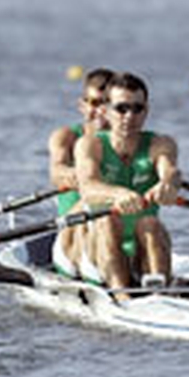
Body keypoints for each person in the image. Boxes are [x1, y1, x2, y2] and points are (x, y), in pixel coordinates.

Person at [74, 72, 180, 298]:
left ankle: (160, 297)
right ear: (105, 110)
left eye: (137, 108)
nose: (129, 116)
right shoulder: (90, 145)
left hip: (142, 246)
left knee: (150, 223)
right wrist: (117, 194)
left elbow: (169, 171)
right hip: (98, 246)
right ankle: (122, 296)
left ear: (146, 111)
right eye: (121, 108)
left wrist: (168, 184)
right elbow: (87, 186)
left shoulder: (161, 144)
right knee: (108, 221)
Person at [48, 68, 114, 278]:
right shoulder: (66, 137)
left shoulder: (133, 144)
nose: (100, 111)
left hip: (117, 234)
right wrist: (84, 176)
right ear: (82, 106)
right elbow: (57, 171)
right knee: (97, 204)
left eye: (107, 103)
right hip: (74, 235)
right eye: (94, 103)